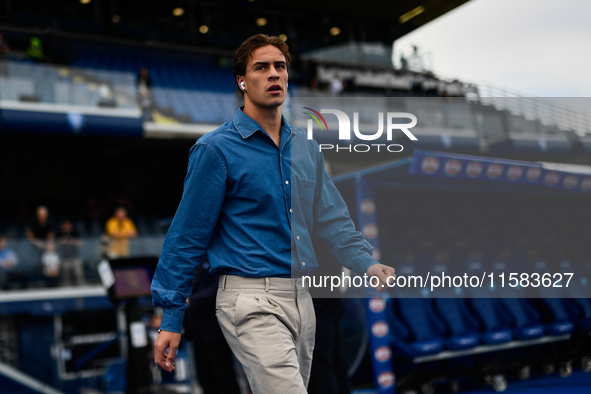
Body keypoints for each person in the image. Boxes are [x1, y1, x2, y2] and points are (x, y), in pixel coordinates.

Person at [151, 34, 395, 393]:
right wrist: (171, 318)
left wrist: (365, 262)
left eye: (280, 66)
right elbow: (186, 238)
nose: (273, 74)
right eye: (261, 67)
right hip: (248, 299)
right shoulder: (215, 150)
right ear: (242, 81)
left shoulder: (307, 147)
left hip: (301, 296)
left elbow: (331, 217)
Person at [184, 259, 241, 394]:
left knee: (224, 378)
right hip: (197, 330)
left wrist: (191, 301)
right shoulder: (193, 260)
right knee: (204, 378)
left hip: (216, 330)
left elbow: (217, 288)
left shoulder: (218, 257)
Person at [56, 219, 85, 286]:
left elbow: (80, 243)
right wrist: (61, 242)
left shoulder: (75, 232)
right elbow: (55, 245)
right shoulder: (59, 233)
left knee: (79, 274)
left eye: (68, 224)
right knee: (66, 276)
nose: (67, 226)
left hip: (75, 257)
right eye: (65, 225)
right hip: (65, 258)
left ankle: (81, 286)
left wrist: (71, 241)